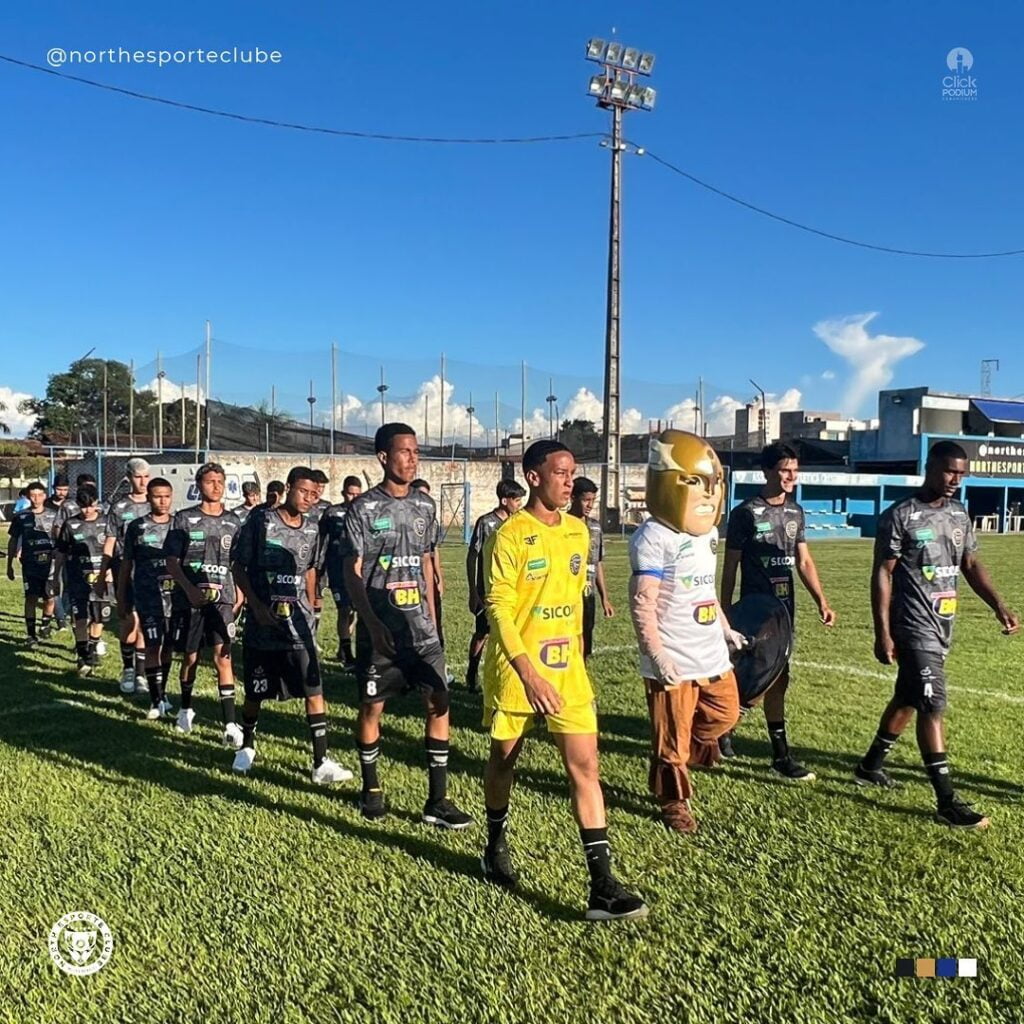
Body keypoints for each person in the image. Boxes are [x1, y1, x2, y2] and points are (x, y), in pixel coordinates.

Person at [480, 440, 646, 920]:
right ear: (534, 476)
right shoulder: (509, 535)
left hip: (567, 674)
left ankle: (602, 884)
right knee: (503, 761)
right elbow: (500, 610)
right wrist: (527, 672)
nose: (569, 481)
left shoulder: (578, 532)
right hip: (517, 674)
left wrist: (574, 657)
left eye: (572, 472)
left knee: (585, 768)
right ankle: (495, 841)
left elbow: (574, 603)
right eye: (560, 472)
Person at [854, 440, 1019, 829]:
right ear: (930, 467)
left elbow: (971, 563)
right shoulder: (901, 515)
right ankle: (946, 801)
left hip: (943, 624)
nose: (955, 480)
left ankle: (869, 766)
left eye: (961, 473)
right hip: (912, 626)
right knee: (932, 705)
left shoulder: (960, 515)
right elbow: (883, 573)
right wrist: (883, 632)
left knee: (909, 697)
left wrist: (998, 604)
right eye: (949, 471)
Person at [343, 425, 471, 828]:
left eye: (416, 451)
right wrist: (370, 621)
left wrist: (433, 619)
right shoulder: (362, 509)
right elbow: (352, 571)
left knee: (439, 703)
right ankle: (371, 788)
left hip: (422, 631)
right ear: (384, 457)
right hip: (381, 629)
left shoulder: (426, 507)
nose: (412, 458)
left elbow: (430, 566)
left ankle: (437, 800)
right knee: (371, 708)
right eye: (404, 452)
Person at [629, 430, 744, 835]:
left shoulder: (709, 535)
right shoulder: (653, 537)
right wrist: (656, 655)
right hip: (673, 655)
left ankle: (681, 753)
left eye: (712, 489)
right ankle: (673, 800)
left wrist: (725, 629)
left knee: (726, 713)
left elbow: (706, 588)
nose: (708, 498)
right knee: (671, 737)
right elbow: (643, 601)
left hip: (710, 650)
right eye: (697, 487)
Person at [719, 442, 836, 781]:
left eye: (795, 471)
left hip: (785, 612)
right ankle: (778, 754)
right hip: (756, 613)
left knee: (773, 679)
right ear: (767, 471)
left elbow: (803, 561)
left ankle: (724, 727)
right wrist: (726, 612)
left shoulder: (796, 512)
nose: (791, 477)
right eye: (785, 470)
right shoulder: (745, 513)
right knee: (768, 677)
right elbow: (730, 568)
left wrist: (822, 601)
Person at [230, 466, 352, 783]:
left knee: (314, 688)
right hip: (263, 626)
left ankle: (320, 760)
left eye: (315, 494)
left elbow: (311, 568)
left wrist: (312, 605)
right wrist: (255, 606)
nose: (309, 499)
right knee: (255, 693)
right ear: (288, 488)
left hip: (298, 625)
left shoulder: (313, 528)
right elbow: (239, 566)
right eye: (303, 491)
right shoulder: (261, 520)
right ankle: (247, 746)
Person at [164, 463, 243, 746]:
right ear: (199, 485)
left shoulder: (234, 521)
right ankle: (185, 708)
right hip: (191, 601)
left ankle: (231, 724)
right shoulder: (184, 519)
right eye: (210, 481)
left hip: (223, 600)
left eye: (220, 481)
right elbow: (171, 562)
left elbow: (238, 562)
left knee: (224, 657)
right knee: (191, 657)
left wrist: (241, 592)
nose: (216, 486)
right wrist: (188, 588)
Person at [120, 478, 178, 720]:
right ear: (149, 498)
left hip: (175, 598)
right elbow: (126, 564)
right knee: (153, 646)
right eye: (157, 496)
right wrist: (122, 595)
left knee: (169, 649)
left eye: (166, 496)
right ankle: (155, 701)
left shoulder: (179, 525)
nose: (162, 501)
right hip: (147, 596)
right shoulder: (136, 527)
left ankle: (162, 692)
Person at [464, 478, 525, 691]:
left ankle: (505, 679)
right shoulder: (486, 523)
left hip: (512, 591)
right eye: (516, 500)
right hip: (487, 591)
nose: (519, 505)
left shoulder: (518, 524)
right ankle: (472, 673)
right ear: (503, 500)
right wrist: (473, 591)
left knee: (511, 634)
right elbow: (472, 557)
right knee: (483, 634)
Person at [100, 458, 151, 694]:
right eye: (138, 476)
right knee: (128, 619)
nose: (143, 481)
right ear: (129, 478)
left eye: (146, 476)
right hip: (123, 570)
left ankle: (140, 673)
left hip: (148, 572)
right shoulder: (119, 507)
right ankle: (128, 667)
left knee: (142, 620)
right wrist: (103, 574)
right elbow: (110, 541)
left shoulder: (155, 503)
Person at [55, 483, 111, 675]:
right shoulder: (70, 524)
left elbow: (115, 550)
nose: (87, 510)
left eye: (90, 505)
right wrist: (56, 577)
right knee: (80, 618)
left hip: (102, 580)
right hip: (78, 580)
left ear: (97, 503)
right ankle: (82, 655)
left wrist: (112, 571)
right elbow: (61, 552)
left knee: (98, 617)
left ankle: (93, 647)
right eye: (83, 506)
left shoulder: (107, 522)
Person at [6, 481, 60, 642]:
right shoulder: (21, 516)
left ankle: (45, 625)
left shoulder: (54, 514)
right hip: (30, 564)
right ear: (28, 497)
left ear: (44, 496)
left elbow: (61, 538)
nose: (36, 499)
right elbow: (13, 540)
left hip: (50, 564)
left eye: (39, 495)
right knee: (31, 598)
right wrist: (9, 564)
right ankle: (31, 634)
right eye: (33, 495)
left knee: (50, 597)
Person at [569, 477, 615, 661]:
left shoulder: (595, 527)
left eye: (593, 500)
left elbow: (597, 563)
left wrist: (605, 598)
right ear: (573, 498)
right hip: (566, 594)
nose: (590, 505)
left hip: (587, 593)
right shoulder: (560, 523)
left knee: (586, 636)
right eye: (586, 500)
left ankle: (582, 676)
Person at [320, 474, 363, 665]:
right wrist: (319, 566)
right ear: (343, 493)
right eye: (349, 494)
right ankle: (347, 653)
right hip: (337, 569)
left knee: (357, 611)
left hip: (357, 569)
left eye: (356, 494)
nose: (353, 498)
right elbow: (320, 540)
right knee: (344, 610)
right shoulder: (332, 513)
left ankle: (342, 648)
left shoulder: (363, 513)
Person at [45, 474, 71, 631]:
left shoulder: (72, 504)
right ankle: (61, 619)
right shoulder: (47, 504)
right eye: (59, 489)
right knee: (54, 584)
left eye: (65, 489)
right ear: (53, 488)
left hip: (70, 550)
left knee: (69, 584)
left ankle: (65, 613)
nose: (62, 493)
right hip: (52, 550)